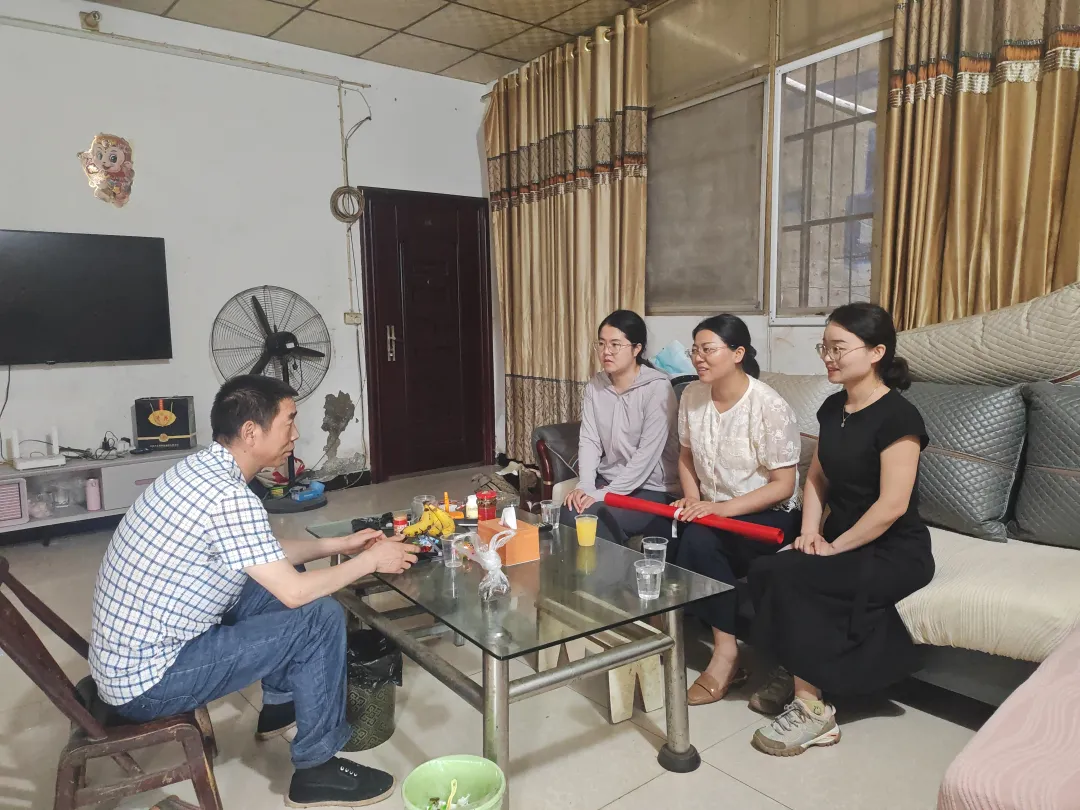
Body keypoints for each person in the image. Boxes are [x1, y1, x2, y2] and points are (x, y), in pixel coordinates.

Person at [89, 375, 418, 807]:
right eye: (289, 421)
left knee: (285, 577)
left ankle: (279, 707)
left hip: (128, 660)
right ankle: (317, 770)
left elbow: (262, 552)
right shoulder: (229, 497)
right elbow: (295, 594)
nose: (296, 434)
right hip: (150, 682)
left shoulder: (201, 470)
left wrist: (340, 545)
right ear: (250, 432)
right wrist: (371, 562)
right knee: (319, 618)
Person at [746, 302, 935, 757]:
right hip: (840, 537)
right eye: (824, 348)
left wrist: (835, 548)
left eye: (838, 348)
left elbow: (892, 505)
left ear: (876, 352)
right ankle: (798, 667)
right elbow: (817, 476)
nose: (828, 358)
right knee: (766, 568)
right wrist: (811, 531)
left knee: (796, 576)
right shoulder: (833, 407)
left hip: (893, 548)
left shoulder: (900, 417)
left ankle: (814, 712)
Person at [671, 314, 802, 707]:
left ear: (738, 353)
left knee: (698, 539)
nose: (698, 358)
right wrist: (692, 499)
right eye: (695, 350)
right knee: (676, 534)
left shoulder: (768, 405)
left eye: (708, 350)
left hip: (767, 515)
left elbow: (783, 485)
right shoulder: (692, 395)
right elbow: (685, 457)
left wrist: (721, 509)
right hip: (713, 510)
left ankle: (726, 655)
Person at [561, 310, 681, 545]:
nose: (606, 351)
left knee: (594, 516)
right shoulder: (595, 386)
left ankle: (615, 569)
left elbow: (646, 455)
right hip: (610, 480)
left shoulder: (657, 388)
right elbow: (590, 440)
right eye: (601, 344)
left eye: (615, 345)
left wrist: (601, 495)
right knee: (570, 510)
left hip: (653, 488)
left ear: (636, 349)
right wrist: (586, 486)